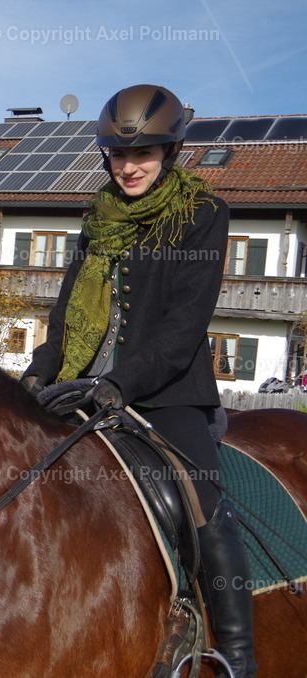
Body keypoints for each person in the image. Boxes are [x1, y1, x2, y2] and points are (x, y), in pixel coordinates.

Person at [22, 84, 256, 677]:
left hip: (166, 392)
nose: (128, 167)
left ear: (171, 150)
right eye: (119, 156)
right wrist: (36, 374)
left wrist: (119, 385)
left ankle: (236, 657)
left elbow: (184, 327)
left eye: (144, 154)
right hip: (79, 388)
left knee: (201, 499)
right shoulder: (96, 220)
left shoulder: (203, 215)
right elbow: (65, 316)